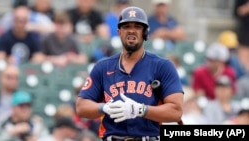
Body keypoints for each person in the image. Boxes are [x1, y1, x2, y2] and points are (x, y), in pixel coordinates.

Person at [76, 6, 184, 140]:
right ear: (119, 32)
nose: (132, 31)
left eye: (137, 27)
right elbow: (81, 107)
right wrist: (105, 107)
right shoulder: (103, 67)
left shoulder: (163, 66)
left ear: (145, 32)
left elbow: (176, 111)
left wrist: (140, 110)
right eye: (126, 26)